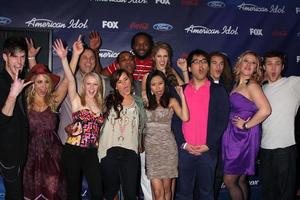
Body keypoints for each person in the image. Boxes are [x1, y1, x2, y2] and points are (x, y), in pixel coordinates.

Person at [22, 37, 83, 199]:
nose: (43, 86)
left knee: (53, 191)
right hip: (30, 155)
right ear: (33, 84)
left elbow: (67, 80)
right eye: (39, 82)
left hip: (53, 156)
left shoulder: (54, 100)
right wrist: (30, 57)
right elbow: (35, 72)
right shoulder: (24, 103)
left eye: (46, 82)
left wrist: (75, 55)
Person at [173, 49, 230, 200]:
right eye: (196, 62)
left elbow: (222, 121)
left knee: (206, 193)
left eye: (204, 61)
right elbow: (175, 121)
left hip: (208, 152)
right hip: (185, 152)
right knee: (183, 193)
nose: (201, 65)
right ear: (189, 68)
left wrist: (209, 144)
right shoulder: (181, 90)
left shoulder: (218, 90)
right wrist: (183, 144)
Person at [222, 50, 271, 200]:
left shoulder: (252, 85)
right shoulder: (237, 84)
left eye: (253, 63)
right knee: (241, 178)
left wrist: (246, 126)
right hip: (234, 136)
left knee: (229, 180)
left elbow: (266, 110)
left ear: (257, 67)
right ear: (239, 63)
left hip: (243, 137)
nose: (249, 65)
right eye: (246, 61)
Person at [60, 37, 104, 200]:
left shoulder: (101, 106)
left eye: (95, 84)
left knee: (97, 191)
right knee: (73, 191)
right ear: (84, 85)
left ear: (98, 86)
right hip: (73, 150)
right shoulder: (78, 101)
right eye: (88, 84)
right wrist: (65, 58)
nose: (91, 87)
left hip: (92, 152)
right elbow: (70, 79)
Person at [98, 69, 147, 200]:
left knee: (131, 194)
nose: (124, 84)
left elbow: (144, 125)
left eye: (126, 79)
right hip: (108, 150)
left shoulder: (139, 102)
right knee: (109, 192)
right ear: (115, 86)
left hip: (130, 151)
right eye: (119, 82)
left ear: (130, 80)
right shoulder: (108, 100)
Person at [260, 51, 300, 200]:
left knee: (286, 194)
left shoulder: (293, 83)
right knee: (269, 193)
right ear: (264, 67)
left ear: (282, 66)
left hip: (286, 148)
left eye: (277, 64)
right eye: (269, 64)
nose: (273, 68)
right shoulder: (260, 89)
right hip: (264, 149)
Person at [144, 70, 189, 200]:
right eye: (153, 84)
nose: (158, 87)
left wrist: (182, 96)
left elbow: (185, 117)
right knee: (158, 192)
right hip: (151, 150)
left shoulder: (172, 101)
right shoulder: (145, 101)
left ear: (165, 84)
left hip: (168, 149)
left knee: (167, 190)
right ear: (149, 87)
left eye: (160, 83)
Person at [58, 32, 104, 145]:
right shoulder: (64, 77)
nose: (89, 61)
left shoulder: (101, 81)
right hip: (68, 139)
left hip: (93, 145)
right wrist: (67, 57)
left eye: (92, 58)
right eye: (84, 57)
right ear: (78, 60)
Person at [0, 36, 31, 199]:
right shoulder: (2, 83)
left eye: (23, 56)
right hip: (7, 155)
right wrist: (13, 94)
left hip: (19, 152)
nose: (19, 62)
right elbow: (2, 120)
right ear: (5, 57)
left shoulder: (19, 80)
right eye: (15, 56)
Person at [208, 51, 233, 200]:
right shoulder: (201, 84)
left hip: (226, 139)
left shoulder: (228, 84)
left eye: (221, 63)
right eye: (214, 63)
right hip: (208, 139)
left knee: (218, 176)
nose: (218, 67)